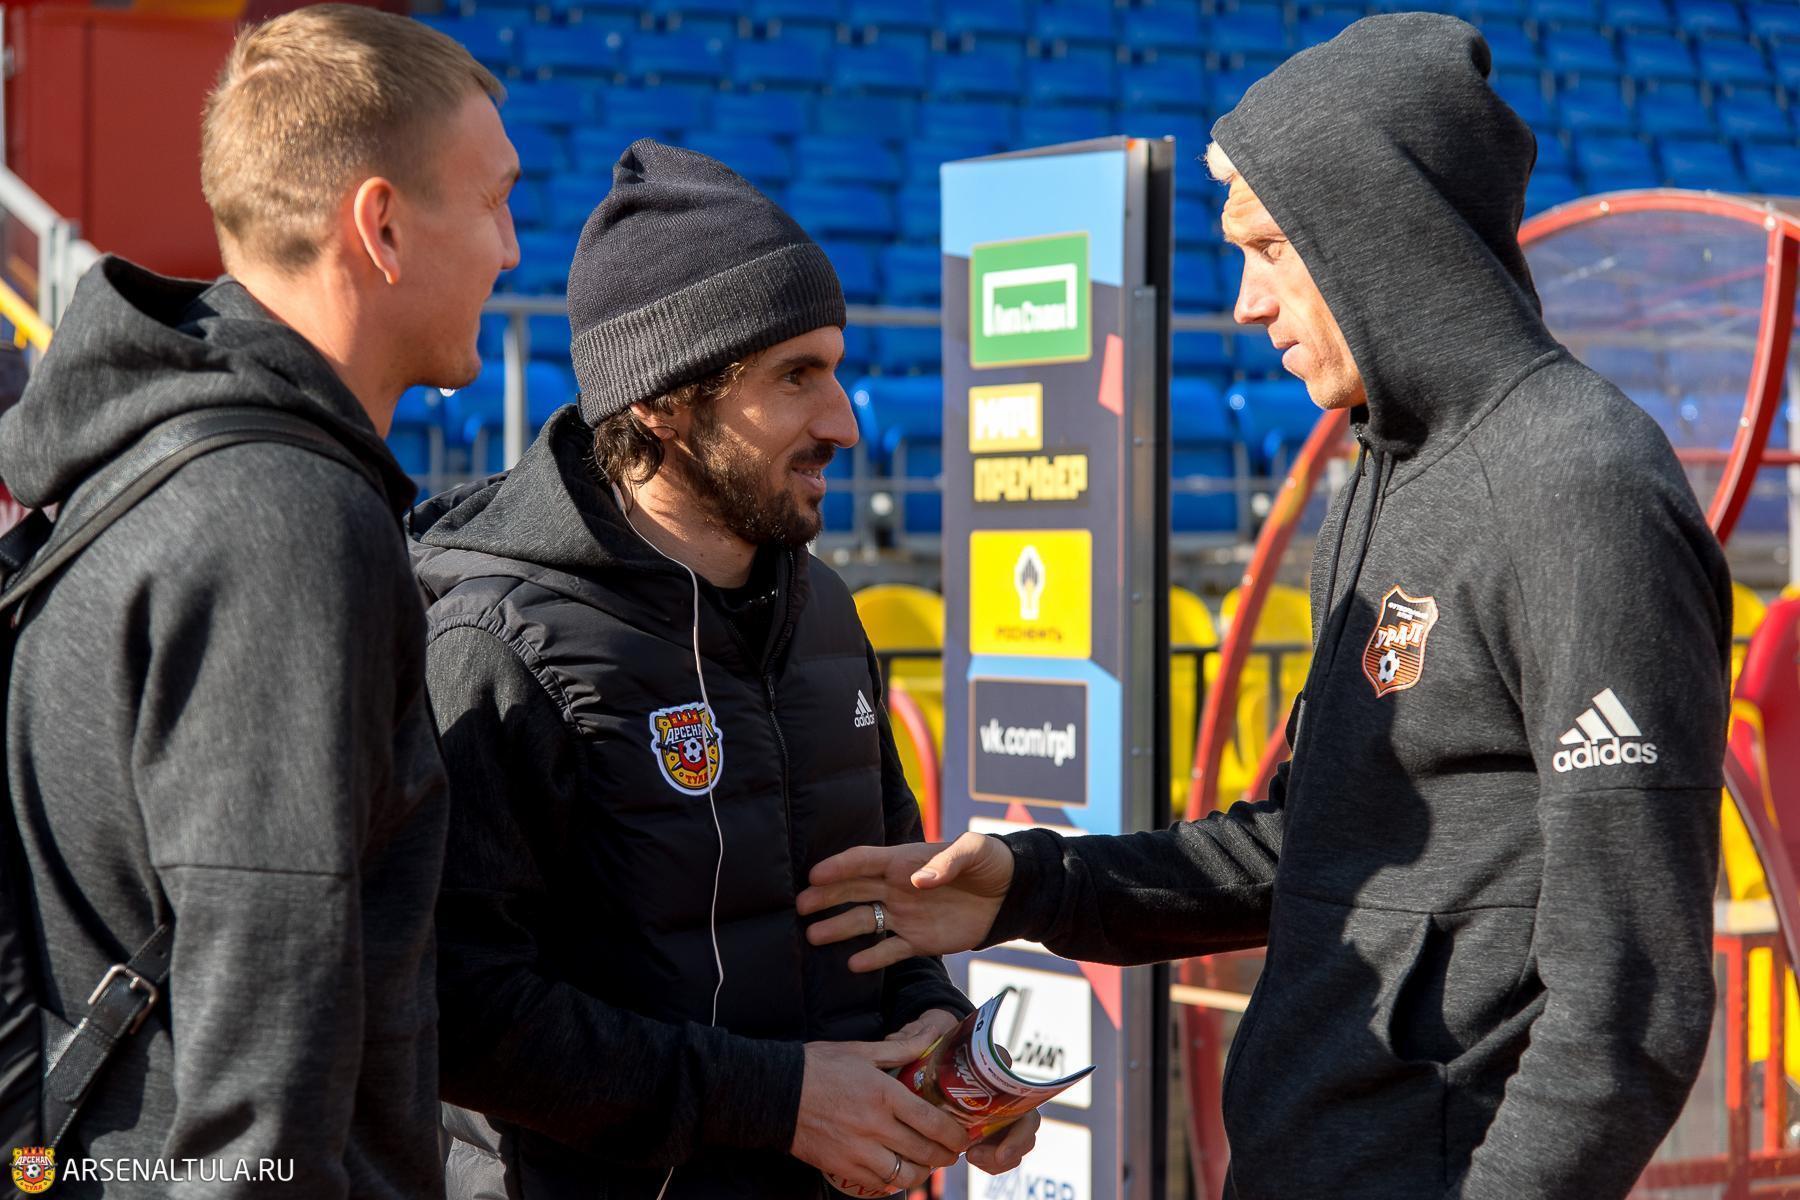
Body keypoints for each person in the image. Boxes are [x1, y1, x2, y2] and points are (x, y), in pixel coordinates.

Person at [800, 15, 1731, 1200]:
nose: (1245, 303)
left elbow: (1632, 999)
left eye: (1270, 248)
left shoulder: (1579, 485)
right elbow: (1309, 841)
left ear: (1379, 233)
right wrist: (1033, 888)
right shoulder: (1381, 479)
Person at [412, 139, 1036, 1199]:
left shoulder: (824, 610)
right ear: (664, 402)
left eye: (835, 370)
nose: (844, 422)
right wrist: (779, 1102)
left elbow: (880, 908)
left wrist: (934, 1034)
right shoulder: (498, 645)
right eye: (796, 376)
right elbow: (460, 1013)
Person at [0, 7, 518, 1195]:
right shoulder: (285, 521)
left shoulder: (163, 463)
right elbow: (263, 1053)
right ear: (381, 226)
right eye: (494, 201)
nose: (510, 248)